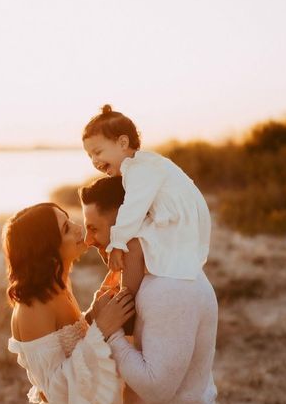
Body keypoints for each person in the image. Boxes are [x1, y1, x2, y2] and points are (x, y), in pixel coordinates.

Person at [80, 177, 225, 404]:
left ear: (125, 223)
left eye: (94, 228)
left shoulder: (168, 288)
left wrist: (110, 334)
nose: (88, 240)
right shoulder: (145, 274)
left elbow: (157, 387)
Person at [2, 202, 135, 404]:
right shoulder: (32, 306)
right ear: (46, 248)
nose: (80, 229)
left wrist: (90, 315)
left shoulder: (59, 287)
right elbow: (58, 390)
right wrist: (102, 329)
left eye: (71, 220)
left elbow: (68, 346)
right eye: (66, 228)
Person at [82, 104, 211, 281]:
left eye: (98, 152)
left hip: (178, 222)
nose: (94, 161)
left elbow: (133, 208)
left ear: (122, 143)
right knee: (138, 238)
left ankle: (127, 294)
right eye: (90, 156)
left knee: (133, 245)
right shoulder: (145, 164)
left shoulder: (138, 169)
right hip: (180, 218)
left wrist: (117, 243)